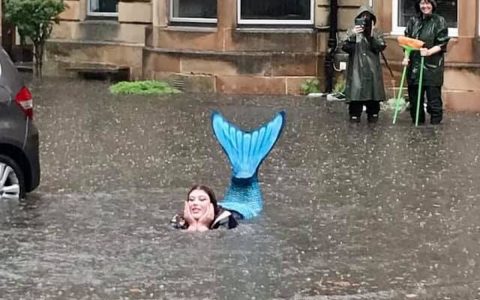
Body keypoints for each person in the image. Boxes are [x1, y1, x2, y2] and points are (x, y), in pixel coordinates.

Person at [403, 0, 450, 125]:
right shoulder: (413, 21)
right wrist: (406, 57)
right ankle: (417, 126)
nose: (425, 6)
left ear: (433, 5)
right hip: (414, 66)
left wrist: (429, 52)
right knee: (414, 101)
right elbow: (407, 42)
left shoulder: (439, 21)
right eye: (422, 3)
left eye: (428, 3)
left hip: (432, 66)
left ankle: (435, 128)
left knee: (433, 100)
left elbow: (442, 43)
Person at [342, 5, 386, 123]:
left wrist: (372, 37)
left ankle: (373, 113)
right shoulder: (353, 31)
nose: (365, 20)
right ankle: (354, 114)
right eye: (363, 17)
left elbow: (381, 46)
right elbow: (345, 47)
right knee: (356, 93)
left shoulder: (376, 32)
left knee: (373, 93)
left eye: (368, 17)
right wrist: (352, 34)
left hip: (372, 69)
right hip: (356, 68)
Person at [170, 185, 238, 231]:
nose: (195, 203)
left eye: (202, 199)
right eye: (191, 199)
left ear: (212, 204)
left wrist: (203, 226)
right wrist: (192, 225)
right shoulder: (178, 219)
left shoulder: (225, 218)